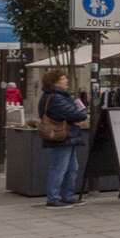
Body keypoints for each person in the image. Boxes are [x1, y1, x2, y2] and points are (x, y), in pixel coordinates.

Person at [37, 72, 89, 208]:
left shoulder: (57, 96)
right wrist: (78, 117)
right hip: (61, 136)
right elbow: (74, 113)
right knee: (59, 168)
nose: (66, 80)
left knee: (72, 168)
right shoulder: (56, 97)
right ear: (54, 82)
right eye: (63, 78)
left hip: (67, 136)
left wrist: (75, 116)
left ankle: (67, 197)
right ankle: (53, 199)